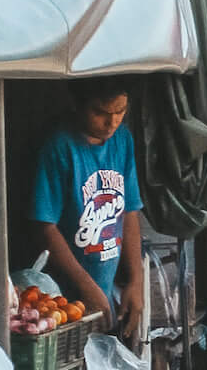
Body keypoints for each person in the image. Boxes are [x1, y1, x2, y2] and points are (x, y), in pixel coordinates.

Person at [33, 76, 147, 349]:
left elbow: (129, 210)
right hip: (63, 296)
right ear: (78, 105)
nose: (111, 123)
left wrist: (135, 280)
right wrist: (86, 286)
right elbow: (44, 227)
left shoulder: (123, 140)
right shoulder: (59, 146)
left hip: (107, 289)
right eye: (100, 113)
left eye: (120, 112)